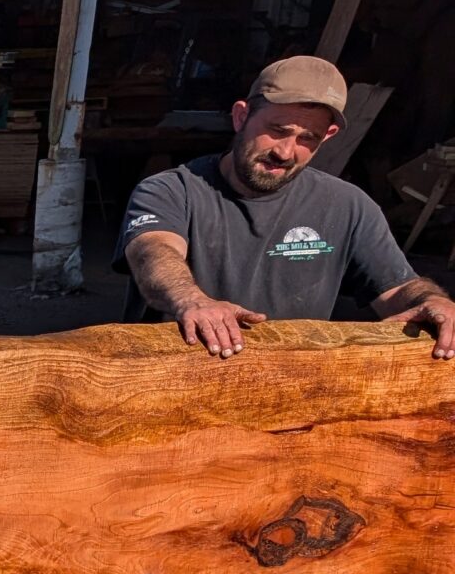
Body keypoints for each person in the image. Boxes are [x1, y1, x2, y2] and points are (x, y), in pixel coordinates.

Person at [115, 55, 455, 359]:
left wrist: (432, 301)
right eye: (278, 130)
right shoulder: (171, 190)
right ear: (241, 116)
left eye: (308, 138)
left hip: (290, 385)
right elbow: (153, 252)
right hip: (172, 379)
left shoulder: (349, 206)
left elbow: (397, 289)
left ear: (329, 135)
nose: (286, 152)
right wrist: (192, 300)